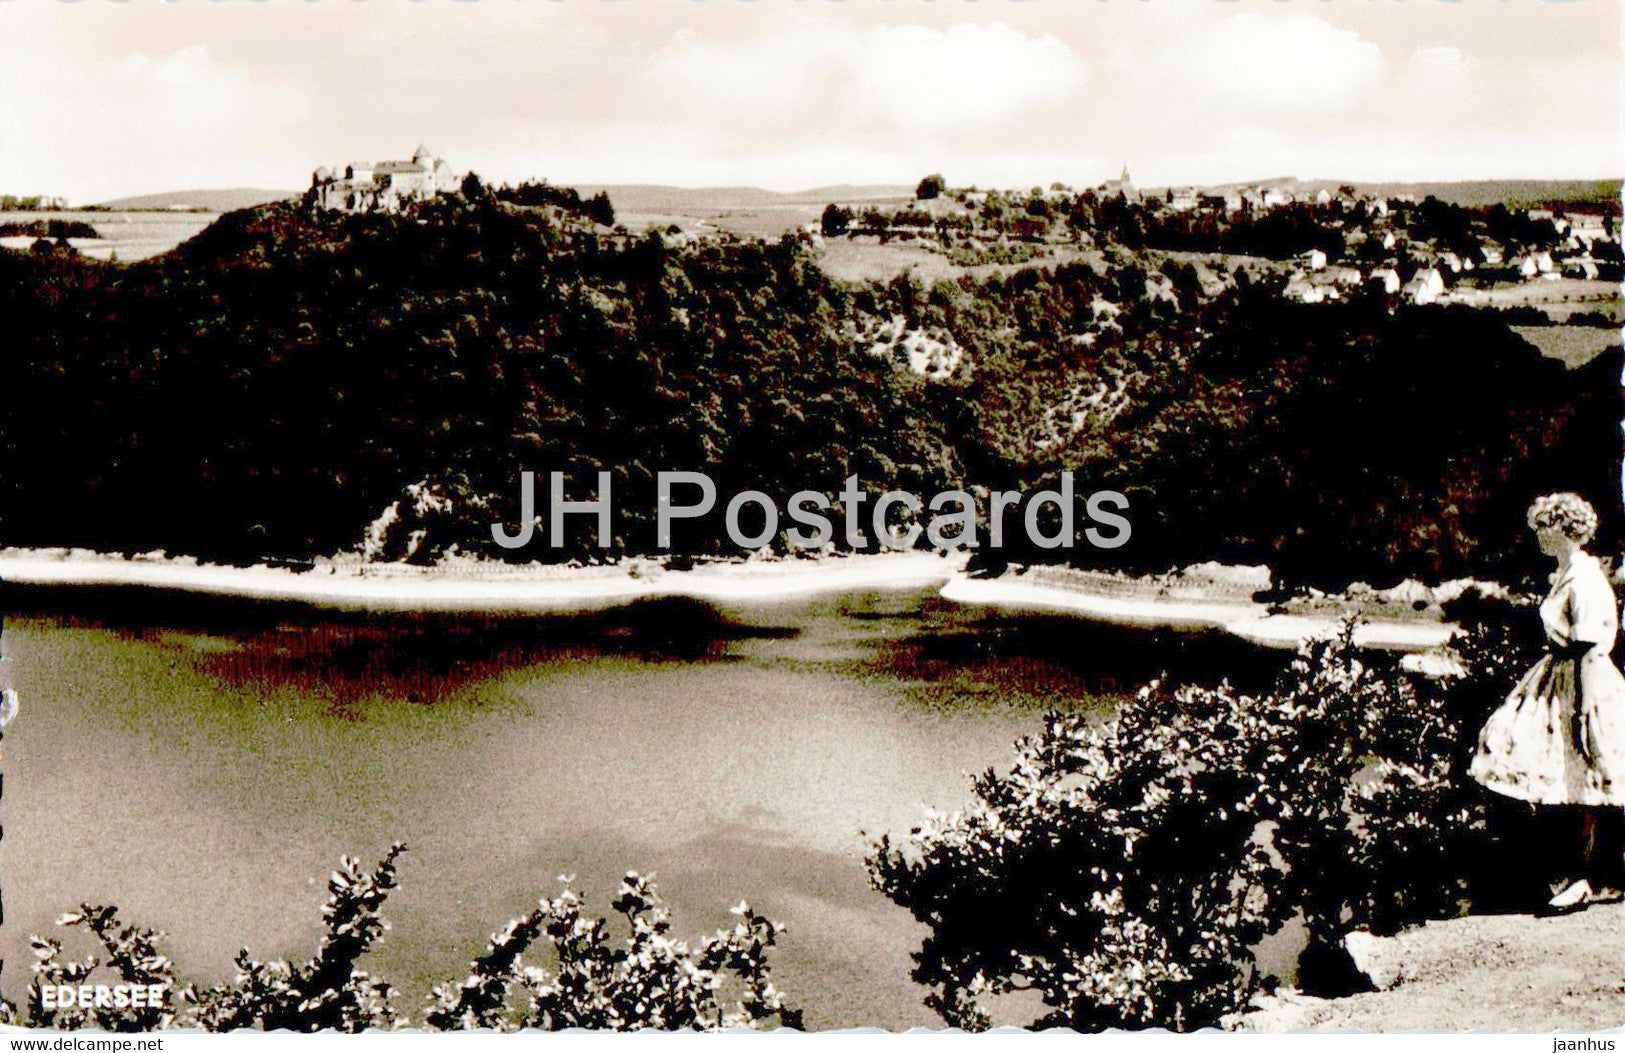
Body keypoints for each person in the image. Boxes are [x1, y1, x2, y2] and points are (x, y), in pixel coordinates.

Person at [1469, 492, 1625, 912]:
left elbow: (1589, 644)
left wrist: (1585, 707)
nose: (1539, 535)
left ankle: (1586, 876)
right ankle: (1565, 872)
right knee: (1538, 763)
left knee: (1587, 772)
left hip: (1582, 679)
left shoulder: (1585, 578)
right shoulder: (1566, 573)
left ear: (1563, 530)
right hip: (1557, 674)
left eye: (1545, 527)